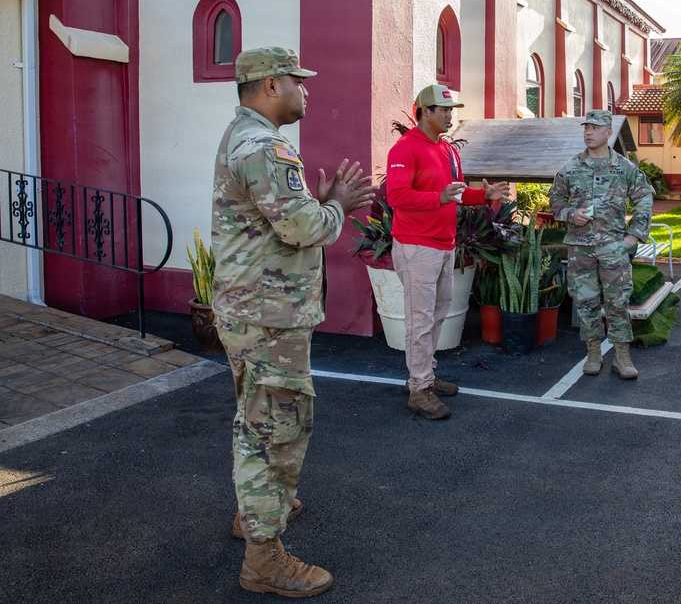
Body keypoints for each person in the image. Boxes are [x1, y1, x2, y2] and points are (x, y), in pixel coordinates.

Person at [212, 46, 377, 597]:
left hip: (253, 309)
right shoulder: (263, 145)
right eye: (297, 81)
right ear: (269, 87)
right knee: (274, 430)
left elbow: (282, 216)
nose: (306, 90)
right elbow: (301, 227)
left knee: (258, 416)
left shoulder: (246, 137)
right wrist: (338, 209)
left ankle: (256, 513)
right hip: (267, 315)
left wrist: (320, 201)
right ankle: (265, 560)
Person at [386, 84, 510, 420]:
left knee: (437, 313)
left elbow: (453, 194)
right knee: (421, 319)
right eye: (443, 109)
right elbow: (396, 196)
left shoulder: (447, 150)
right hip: (416, 247)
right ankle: (419, 388)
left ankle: (424, 375)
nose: (449, 115)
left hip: (442, 246)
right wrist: (437, 198)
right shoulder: (405, 149)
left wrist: (485, 195)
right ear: (423, 112)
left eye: (451, 109)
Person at [548, 109, 653, 379]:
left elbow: (644, 197)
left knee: (617, 302)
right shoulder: (570, 168)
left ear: (609, 133)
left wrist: (633, 236)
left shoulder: (625, 168)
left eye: (595, 128)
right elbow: (556, 201)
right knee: (585, 302)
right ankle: (593, 352)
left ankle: (621, 356)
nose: (589, 132)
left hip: (613, 247)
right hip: (580, 249)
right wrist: (571, 214)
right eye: (586, 128)